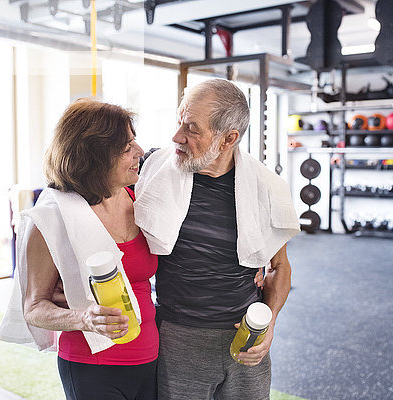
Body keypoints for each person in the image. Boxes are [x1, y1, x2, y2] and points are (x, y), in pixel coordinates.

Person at [134, 78, 300, 400]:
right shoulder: (153, 170)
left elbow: (279, 268)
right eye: (180, 120)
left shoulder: (265, 188)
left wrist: (269, 325)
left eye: (192, 128)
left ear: (228, 139)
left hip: (246, 334)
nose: (177, 136)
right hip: (178, 337)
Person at [0, 98, 159, 400]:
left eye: (134, 142)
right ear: (95, 157)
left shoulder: (138, 199)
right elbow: (34, 307)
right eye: (127, 148)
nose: (140, 152)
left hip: (151, 358)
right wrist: (84, 318)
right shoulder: (53, 217)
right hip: (93, 365)